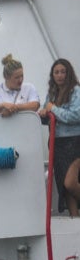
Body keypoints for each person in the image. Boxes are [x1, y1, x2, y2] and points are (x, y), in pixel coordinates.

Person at [38, 58, 80, 217]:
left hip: (75, 141)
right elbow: (49, 114)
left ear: (68, 73)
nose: (60, 75)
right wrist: (43, 114)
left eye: (63, 72)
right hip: (58, 143)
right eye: (57, 72)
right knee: (64, 185)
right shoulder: (52, 94)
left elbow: (75, 115)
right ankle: (75, 219)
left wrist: (52, 109)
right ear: (52, 75)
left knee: (70, 182)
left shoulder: (76, 91)